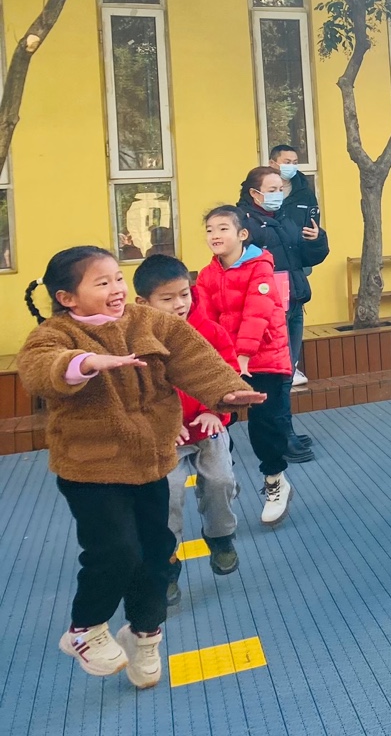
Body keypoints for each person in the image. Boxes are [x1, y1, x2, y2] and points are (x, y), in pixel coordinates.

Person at [18, 247, 262, 688]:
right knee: (116, 551)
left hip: (151, 460)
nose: (116, 288)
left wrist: (226, 392)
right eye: (102, 282)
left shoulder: (148, 321)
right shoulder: (55, 333)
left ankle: (145, 635)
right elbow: (38, 368)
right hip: (91, 469)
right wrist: (85, 362)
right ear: (67, 298)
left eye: (117, 278)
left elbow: (195, 357)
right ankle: (85, 629)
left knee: (157, 552)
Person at [133, 255, 243, 605]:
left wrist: (215, 410)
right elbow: (135, 393)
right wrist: (161, 425)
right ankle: (166, 564)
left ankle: (221, 538)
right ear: (143, 303)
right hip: (166, 438)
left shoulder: (210, 331)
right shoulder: (137, 342)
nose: (179, 304)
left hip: (207, 427)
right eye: (167, 298)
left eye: (184, 294)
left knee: (221, 482)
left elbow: (227, 374)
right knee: (167, 495)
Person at [193, 205, 298, 526]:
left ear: (242, 234)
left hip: (265, 359)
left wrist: (243, 356)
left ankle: (275, 482)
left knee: (266, 424)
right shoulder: (207, 275)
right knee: (217, 420)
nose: (214, 235)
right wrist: (217, 360)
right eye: (210, 230)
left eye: (223, 228)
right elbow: (206, 321)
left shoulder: (260, 267)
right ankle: (224, 476)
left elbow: (258, 311)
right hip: (228, 360)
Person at [237, 165, 324, 463]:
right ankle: (281, 436)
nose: (278, 194)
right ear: (254, 193)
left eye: (280, 189)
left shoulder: (284, 217)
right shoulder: (244, 224)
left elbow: (303, 258)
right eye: (271, 190)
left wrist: (316, 239)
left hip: (294, 302)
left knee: (288, 370)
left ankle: (286, 430)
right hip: (268, 311)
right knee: (277, 375)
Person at [266, 145, 327, 386]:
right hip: (272, 270)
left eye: (294, 161)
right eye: (286, 161)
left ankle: (291, 366)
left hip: (297, 265)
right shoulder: (263, 192)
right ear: (273, 163)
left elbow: (314, 227)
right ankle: (279, 369)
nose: (291, 166)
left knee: (294, 314)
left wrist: (317, 237)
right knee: (275, 318)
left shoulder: (305, 193)